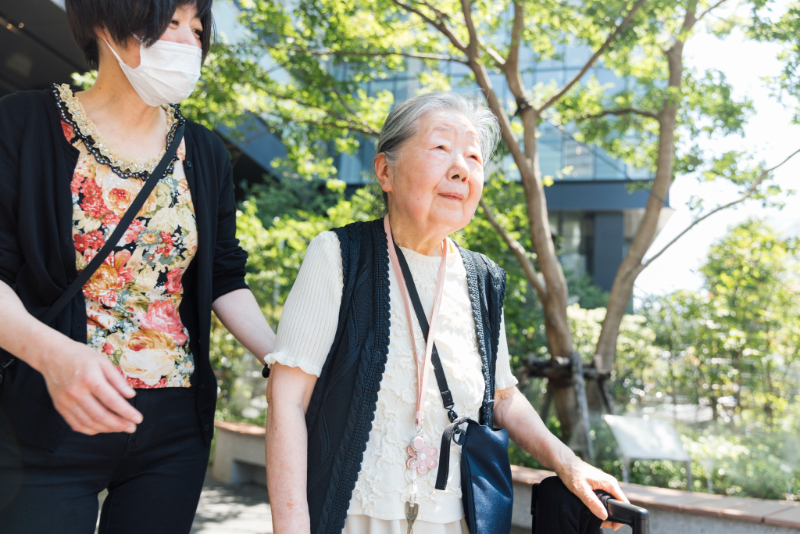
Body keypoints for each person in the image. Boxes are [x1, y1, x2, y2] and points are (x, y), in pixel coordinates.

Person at [264, 91, 627, 534]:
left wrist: (568, 462)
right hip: (352, 517)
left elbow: (504, 396)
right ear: (385, 171)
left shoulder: (482, 279)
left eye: (473, 156)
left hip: (456, 520)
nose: (461, 167)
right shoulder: (339, 256)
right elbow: (287, 399)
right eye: (440, 148)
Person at [0, 1, 275, 532]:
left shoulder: (205, 152)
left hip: (172, 427)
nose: (189, 43)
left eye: (197, 29)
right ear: (107, 23)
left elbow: (222, 275)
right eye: (171, 23)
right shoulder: (21, 124)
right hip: (45, 414)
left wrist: (279, 356)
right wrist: (54, 357)